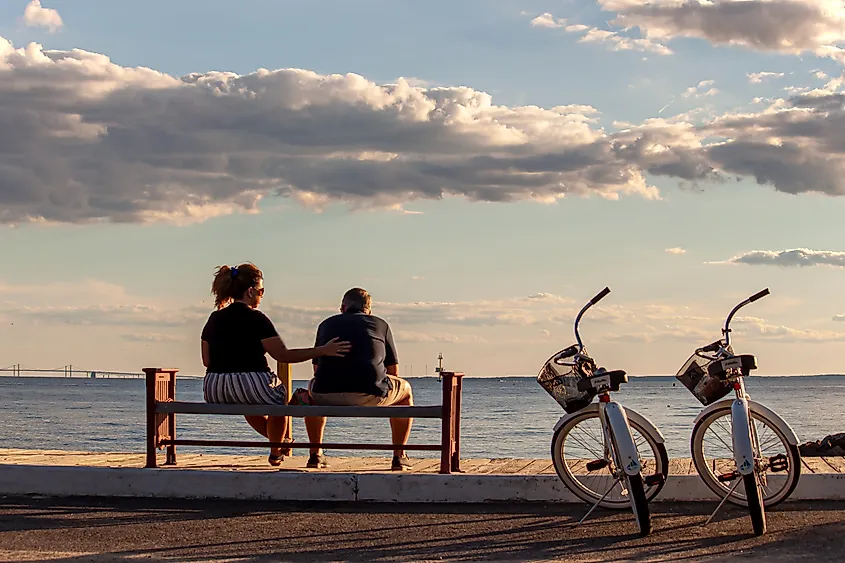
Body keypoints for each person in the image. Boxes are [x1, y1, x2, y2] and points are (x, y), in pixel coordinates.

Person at [200, 263, 351, 466]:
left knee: (248, 402)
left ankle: (280, 444)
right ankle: (276, 451)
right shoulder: (257, 318)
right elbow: (283, 355)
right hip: (250, 381)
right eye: (261, 291)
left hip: (215, 387)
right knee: (279, 400)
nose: (262, 295)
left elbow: (206, 360)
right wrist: (323, 350)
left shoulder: (214, 318)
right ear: (250, 291)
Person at [305, 288, 414, 471]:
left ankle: (315, 454)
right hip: (371, 394)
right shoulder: (381, 325)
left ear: (343, 307)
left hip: (325, 394)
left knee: (309, 393)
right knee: (406, 391)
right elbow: (393, 371)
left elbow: (317, 368)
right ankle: (399, 456)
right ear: (368, 309)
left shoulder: (326, 324)